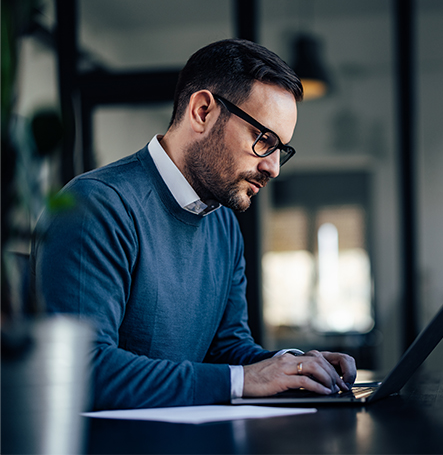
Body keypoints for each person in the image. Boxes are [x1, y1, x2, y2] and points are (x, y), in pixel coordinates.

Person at [30, 39, 356, 410]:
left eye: (282, 149)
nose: (273, 167)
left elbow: (226, 349)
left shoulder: (224, 224)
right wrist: (245, 379)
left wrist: (298, 365)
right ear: (202, 111)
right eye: (263, 140)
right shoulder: (95, 206)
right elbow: (80, 371)